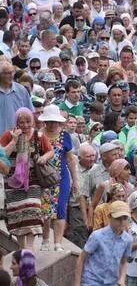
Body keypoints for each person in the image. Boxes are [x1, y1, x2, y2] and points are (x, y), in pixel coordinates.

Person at [1, 107, 53, 249]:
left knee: (33, 210)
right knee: (17, 212)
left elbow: (50, 151)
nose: (24, 125)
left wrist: (43, 157)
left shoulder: (39, 136)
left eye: (28, 122)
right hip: (12, 181)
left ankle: (29, 248)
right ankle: (21, 247)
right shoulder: (8, 134)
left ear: (32, 121)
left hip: (33, 180)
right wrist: (14, 140)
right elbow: (2, 154)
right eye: (21, 122)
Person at [39, 104, 78, 252]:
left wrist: (75, 180)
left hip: (62, 177)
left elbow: (70, 160)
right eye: (49, 121)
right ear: (45, 122)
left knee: (61, 208)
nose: (52, 124)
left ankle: (58, 242)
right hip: (44, 178)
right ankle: (45, 240)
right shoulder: (38, 135)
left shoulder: (65, 135)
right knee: (46, 210)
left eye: (55, 121)